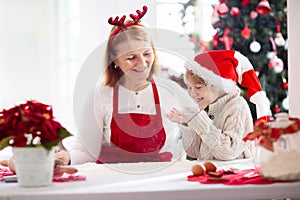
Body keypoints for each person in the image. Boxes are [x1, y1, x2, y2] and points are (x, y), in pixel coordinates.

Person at [55, 5, 196, 165]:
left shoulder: (171, 91)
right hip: (111, 180)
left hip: (159, 179)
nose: (142, 63)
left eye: (147, 54)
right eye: (131, 57)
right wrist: (68, 159)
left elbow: (202, 127)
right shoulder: (100, 96)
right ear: (115, 60)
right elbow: (86, 150)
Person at [166, 50, 270, 161]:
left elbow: (227, 152)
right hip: (211, 174)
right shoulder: (206, 108)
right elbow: (194, 151)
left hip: (235, 174)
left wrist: (200, 121)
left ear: (218, 86)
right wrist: (188, 123)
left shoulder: (237, 107)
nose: (193, 93)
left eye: (198, 87)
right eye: (190, 88)